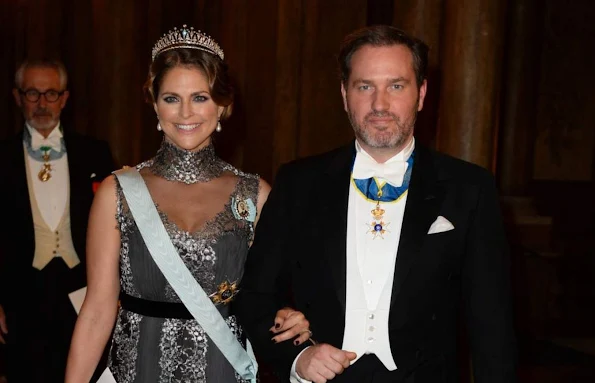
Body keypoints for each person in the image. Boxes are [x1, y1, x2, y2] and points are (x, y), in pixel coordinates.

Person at [235, 25, 517, 383]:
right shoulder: (298, 183)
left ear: (421, 94)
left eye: (396, 86)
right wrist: (298, 357)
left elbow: (492, 324)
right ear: (344, 94)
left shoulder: (469, 188)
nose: (380, 104)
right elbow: (255, 296)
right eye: (365, 86)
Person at [65, 25, 310, 383]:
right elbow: (98, 311)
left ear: (222, 104)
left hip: (225, 371)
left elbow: (271, 298)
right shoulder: (117, 192)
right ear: (154, 103)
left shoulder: (254, 194)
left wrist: (291, 313)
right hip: (137, 372)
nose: (185, 113)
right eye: (171, 98)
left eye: (200, 97)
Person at [0, 59, 115, 382]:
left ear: (64, 98)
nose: (41, 103)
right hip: (21, 297)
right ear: (17, 97)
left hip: (83, 292)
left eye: (50, 94)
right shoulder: (3, 157)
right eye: (32, 93)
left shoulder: (95, 153)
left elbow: (117, 228)